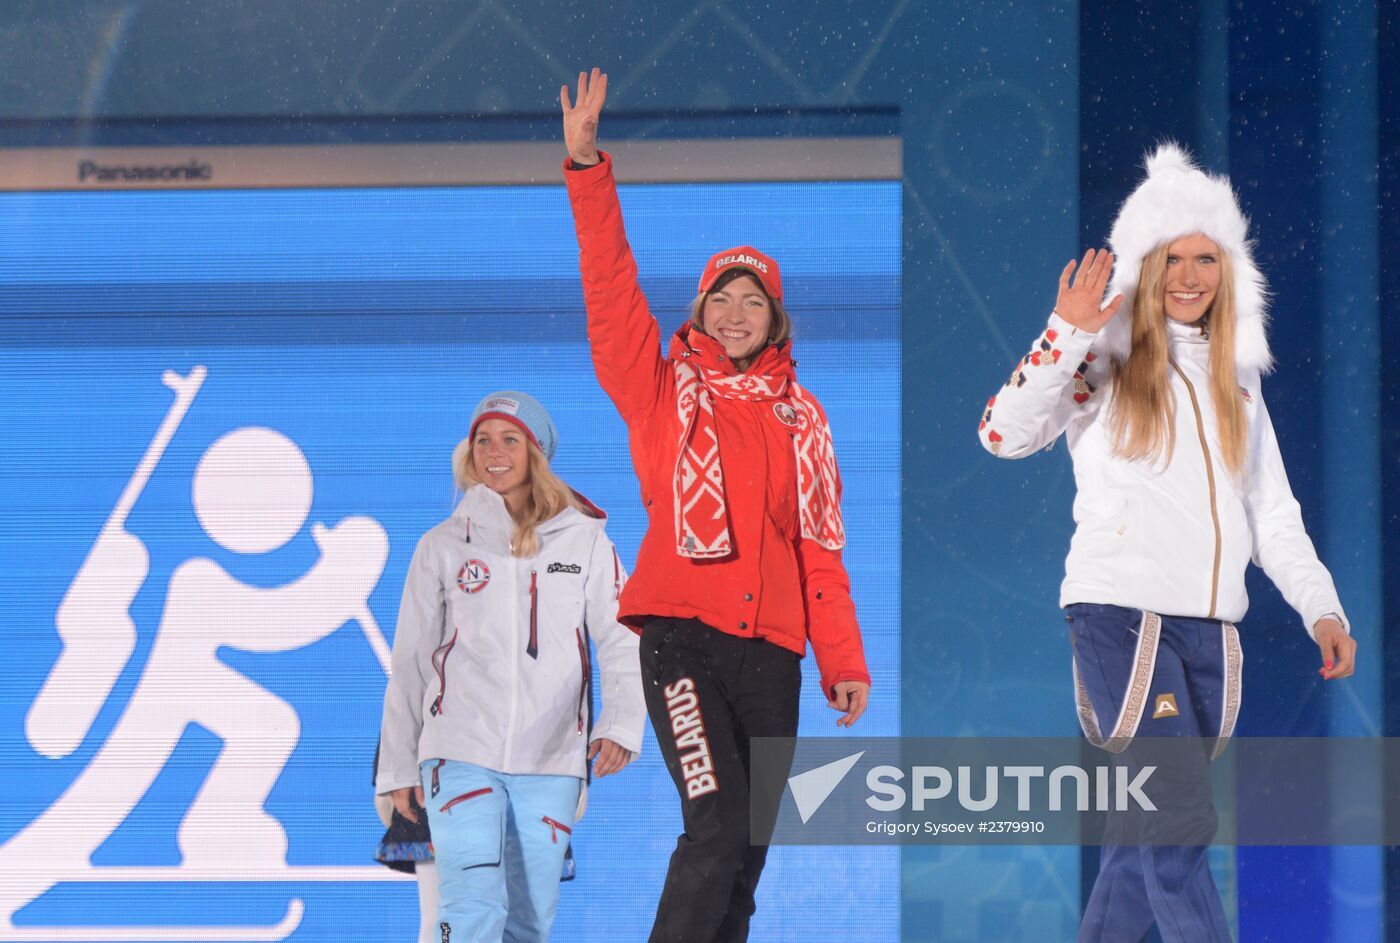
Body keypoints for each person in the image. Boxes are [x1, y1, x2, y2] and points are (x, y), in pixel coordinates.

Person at [978, 143, 1357, 942]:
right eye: (1172, 257)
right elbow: (1002, 436)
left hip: (1207, 628)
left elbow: (1274, 514)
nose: (1188, 275)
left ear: (1229, 270)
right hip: (1120, 616)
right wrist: (1063, 333)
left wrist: (1322, 609)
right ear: (1145, 265)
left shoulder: (1239, 383)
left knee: (1137, 838)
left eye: (1205, 258)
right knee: (1179, 813)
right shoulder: (1103, 357)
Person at [559, 69, 872, 943]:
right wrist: (588, 170)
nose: (736, 313)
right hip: (684, 639)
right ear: (701, 310)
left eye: (753, 301)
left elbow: (821, 552)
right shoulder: (661, 389)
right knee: (718, 825)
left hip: (773, 656)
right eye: (721, 300)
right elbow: (612, 292)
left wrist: (840, 657)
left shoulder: (803, 418)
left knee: (752, 848)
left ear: (777, 320)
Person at [376, 390, 645, 943]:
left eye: (509, 440)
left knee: (529, 921)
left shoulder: (586, 541)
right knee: (470, 908)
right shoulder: (443, 545)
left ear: (536, 452)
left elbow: (621, 638)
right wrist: (398, 767)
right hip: (459, 751)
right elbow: (410, 662)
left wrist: (619, 724)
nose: (494, 452)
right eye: (482, 440)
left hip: (551, 759)